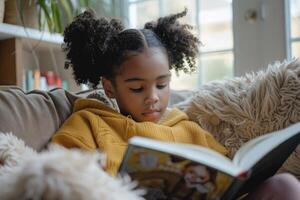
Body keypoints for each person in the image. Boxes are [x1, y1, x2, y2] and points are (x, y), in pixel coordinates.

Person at [52, 9, 300, 200]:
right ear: (109, 88)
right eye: (137, 88)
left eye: (161, 85)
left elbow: (223, 179)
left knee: (285, 186)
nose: (153, 97)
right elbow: (56, 173)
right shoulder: (88, 123)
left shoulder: (187, 128)